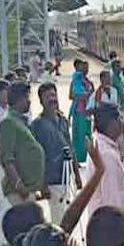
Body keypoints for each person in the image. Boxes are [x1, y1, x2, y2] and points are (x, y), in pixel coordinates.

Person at [31, 82, 83, 225]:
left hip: (67, 178)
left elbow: (70, 148)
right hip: (52, 179)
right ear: (41, 100)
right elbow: (36, 157)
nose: (52, 99)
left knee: (68, 216)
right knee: (59, 218)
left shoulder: (63, 121)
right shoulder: (37, 125)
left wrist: (77, 175)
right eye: (47, 96)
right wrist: (42, 185)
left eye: (53, 95)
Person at [85, 105, 124, 229]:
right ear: (112, 124)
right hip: (113, 230)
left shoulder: (105, 147)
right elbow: (112, 200)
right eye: (119, 119)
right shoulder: (106, 155)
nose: (122, 122)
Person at [0, 81, 45, 207]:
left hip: (28, 190)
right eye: (27, 97)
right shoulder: (8, 123)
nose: (29, 101)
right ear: (19, 99)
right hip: (19, 192)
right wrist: (19, 185)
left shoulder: (20, 121)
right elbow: (7, 159)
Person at [0, 80, 11, 230]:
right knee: (1, 197)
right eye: (4, 91)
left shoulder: (9, 111)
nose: (7, 94)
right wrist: (2, 160)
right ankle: (4, 231)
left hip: (11, 161)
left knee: (10, 198)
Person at [70, 60, 94, 163]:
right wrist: (83, 96)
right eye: (83, 68)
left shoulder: (89, 82)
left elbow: (93, 95)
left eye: (87, 68)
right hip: (79, 111)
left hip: (88, 111)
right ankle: (77, 158)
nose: (86, 70)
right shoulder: (75, 81)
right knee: (78, 135)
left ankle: (87, 156)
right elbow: (71, 95)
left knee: (87, 133)